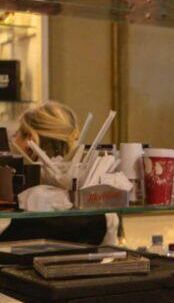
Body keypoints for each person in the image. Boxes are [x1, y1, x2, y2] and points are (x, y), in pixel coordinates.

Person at [5, 102, 118, 245]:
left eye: (16, 135)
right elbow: (111, 255)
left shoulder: (17, 204)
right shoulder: (105, 215)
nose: (13, 141)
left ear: (30, 142)